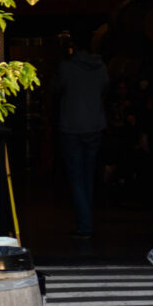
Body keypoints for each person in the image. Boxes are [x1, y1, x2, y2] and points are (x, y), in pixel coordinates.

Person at [53, 35, 111, 238]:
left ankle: (84, 223)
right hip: (94, 124)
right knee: (88, 176)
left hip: (71, 126)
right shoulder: (101, 66)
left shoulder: (66, 67)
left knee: (76, 177)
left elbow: (57, 89)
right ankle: (86, 219)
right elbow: (105, 89)